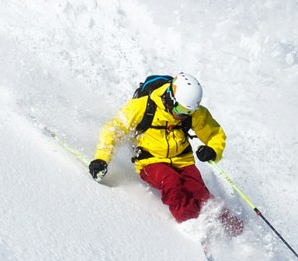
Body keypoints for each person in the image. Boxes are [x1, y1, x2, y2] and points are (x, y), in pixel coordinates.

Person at [88, 72, 239, 231]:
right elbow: (113, 129)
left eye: (188, 112)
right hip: (151, 161)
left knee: (200, 192)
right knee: (172, 183)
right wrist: (101, 159)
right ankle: (192, 224)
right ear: (171, 98)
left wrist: (212, 150)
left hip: (183, 159)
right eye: (181, 110)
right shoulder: (143, 107)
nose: (183, 116)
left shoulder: (191, 111)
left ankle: (232, 228)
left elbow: (215, 133)